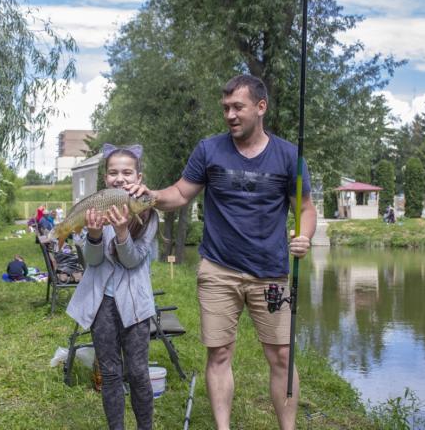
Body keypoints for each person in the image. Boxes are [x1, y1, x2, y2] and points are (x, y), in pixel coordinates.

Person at [127, 75, 317, 430]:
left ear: (261, 107)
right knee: (219, 353)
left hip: (272, 271)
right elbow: (181, 194)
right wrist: (149, 195)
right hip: (218, 270)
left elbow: (305, 208)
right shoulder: (209, 150)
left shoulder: (289, 156)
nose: (230, 115)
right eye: (225, 108)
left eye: (238, 107)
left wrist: (303, 236)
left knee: (282, 356)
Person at [66, 143, 158, 430]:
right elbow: (92, 262)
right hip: (101, 306)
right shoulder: (99, 207)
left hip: (135, 307)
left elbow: (131, 261)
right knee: (110, 373)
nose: (120, 178)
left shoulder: (148, 214)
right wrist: (94, 235)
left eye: (127, 172)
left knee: (139, 372)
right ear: (105, 178)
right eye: (113, 172)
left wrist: (121, 232)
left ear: (138, 178)